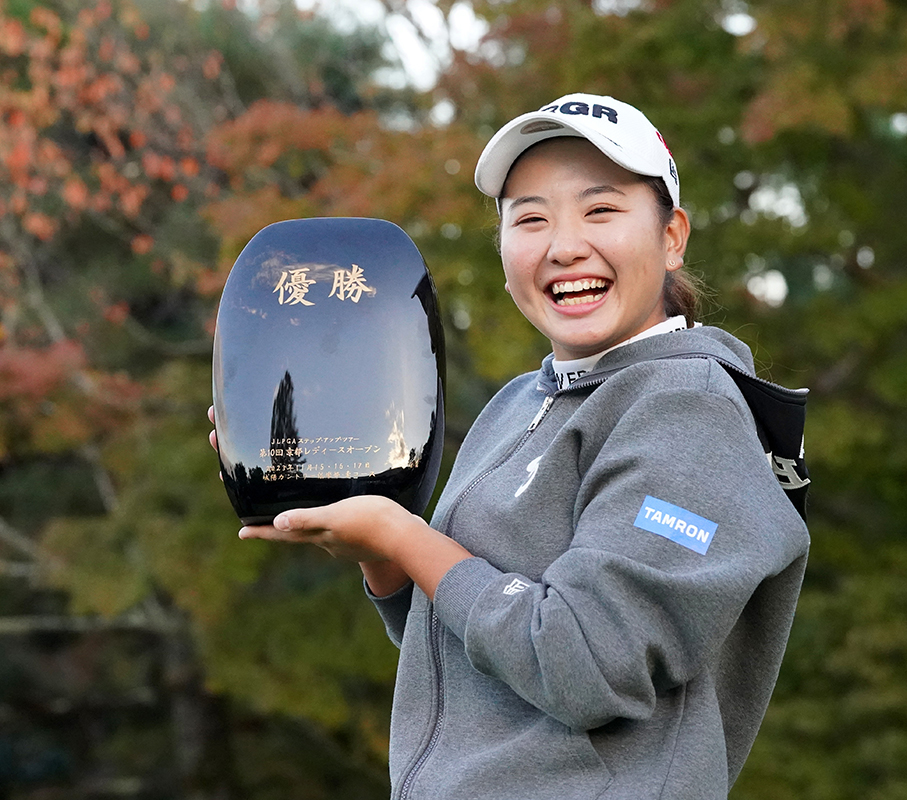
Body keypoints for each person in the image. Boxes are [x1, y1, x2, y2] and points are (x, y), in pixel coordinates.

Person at [211, 93, 809, 799]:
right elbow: (463, 642)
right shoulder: (520, 402)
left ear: (672, 236)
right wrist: (380, 556)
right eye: (530, 218)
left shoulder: (690, 410)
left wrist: (405, 537)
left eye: (601, 210)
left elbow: (590, 661)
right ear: (503, 254)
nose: (563, 245)